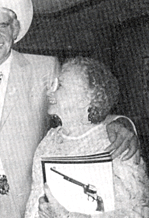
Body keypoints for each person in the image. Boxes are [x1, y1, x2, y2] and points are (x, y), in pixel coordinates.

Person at [0, 0, 139, 217]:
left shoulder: (45, 70)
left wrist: (118, 123)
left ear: (15, 30)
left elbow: (80, 107)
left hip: (30, 197)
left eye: (3, 25)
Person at [24, 57, 149, 217]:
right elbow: (34, 200)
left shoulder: (116, 145)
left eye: (60, 85)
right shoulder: (49, 141)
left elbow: (138, 212)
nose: (50, 92)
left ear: (88, 99)